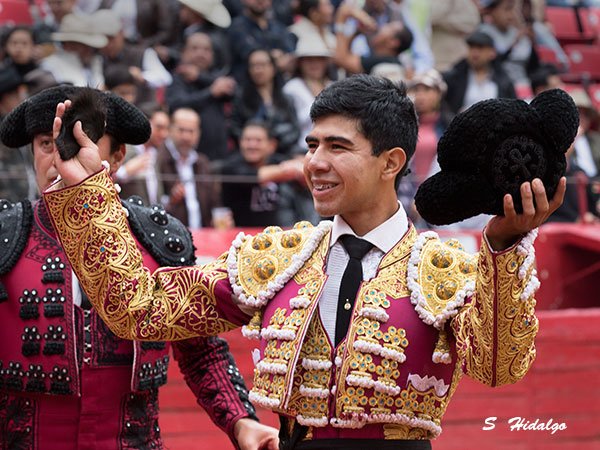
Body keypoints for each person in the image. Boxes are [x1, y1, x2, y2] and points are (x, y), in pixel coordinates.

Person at [43, 74, 566, 449]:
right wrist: (90, 194)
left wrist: (503, 247)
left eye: (338, 146)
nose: (314, 162)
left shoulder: (443, 266)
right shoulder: (282, 259)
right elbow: (140, 309)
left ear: (392, 162)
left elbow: (498, 367)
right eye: (312, 144)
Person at [0, 86, 278, 449]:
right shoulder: (7, 233)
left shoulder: (159, 238)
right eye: (46, 144)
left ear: (117, 156)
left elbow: (200, 350)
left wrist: (241, 420)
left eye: (77, 141)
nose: (58, 159)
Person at [165, 31, 236, 164]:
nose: (201, 54)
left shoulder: (215, 77)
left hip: (220, 157)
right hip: (187, 157)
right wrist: (211, 92)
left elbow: (233, 90)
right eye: (195, 48)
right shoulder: (178, 78)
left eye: (206, 50)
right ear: (183, 53)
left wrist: (199, 77)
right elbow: (177, 104)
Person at [220, 119, 306, 227]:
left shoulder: (278, 160)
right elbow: (258, 175)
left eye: (258, 140)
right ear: (240, 142)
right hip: (241, 235)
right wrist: (290, 168)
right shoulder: (230, 167)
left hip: (278, 234)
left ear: (272, 145)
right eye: (247, 140)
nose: (252, 145)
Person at [229, 48, 301, 155]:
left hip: (282, 152)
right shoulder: (240, 98)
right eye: (254, 65)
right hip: (250, 153)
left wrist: (273, 143)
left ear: (273, 68)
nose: (258, 70)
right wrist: (255, 142)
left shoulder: (286, 98)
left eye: (263, 65)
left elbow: (295, 130)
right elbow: (234, 128)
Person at [158, 107, 220, 228]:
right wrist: (171, 200)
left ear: (198, 134)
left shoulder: (202, 162)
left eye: (191, 131)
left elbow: (213, 203)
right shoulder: (158, 159)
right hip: (169, 234)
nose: (186, 136)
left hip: (201, 234)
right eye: (181, 130)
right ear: (171, 130)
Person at [442, 30, 517, 119]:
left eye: (480, 48)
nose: (475, 53)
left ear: (492, 53)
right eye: (471, 47)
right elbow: (444, 107)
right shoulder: (454, 76)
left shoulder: (504, 80)